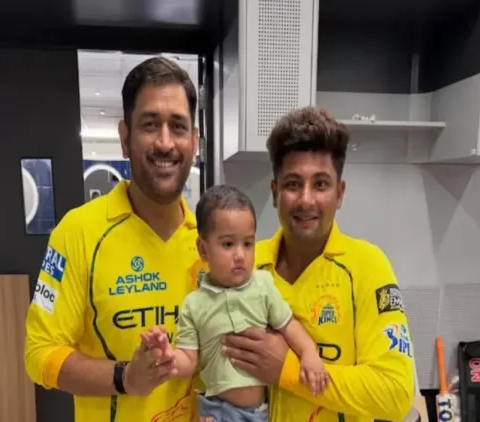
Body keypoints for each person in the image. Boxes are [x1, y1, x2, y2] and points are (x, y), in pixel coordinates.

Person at [24, 57, 207, 421]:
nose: (165, 142)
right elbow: (39, 353)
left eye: (178, 126)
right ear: (125, 139)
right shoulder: (77, 232)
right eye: (150, 125)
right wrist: (125, 378)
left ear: (195, 141)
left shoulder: (213, 241)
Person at [207, 107, 415, 422]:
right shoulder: (245, 267)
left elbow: (394, 393)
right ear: (275, 193)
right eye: (293, 184)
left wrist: (286, 369)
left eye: (320, 184)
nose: (306, 200)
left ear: (339, 194)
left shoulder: (367, 267)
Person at [141, 185, 329, 422]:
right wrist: (168, 356)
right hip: (217, 412)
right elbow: (188, 362)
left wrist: (309, 352)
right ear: (203, 249)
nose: (240, 255)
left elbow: (288, 325)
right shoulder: (194, 304)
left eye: (248, 244)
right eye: (228, 244)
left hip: (260, 413)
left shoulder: (263, 285)